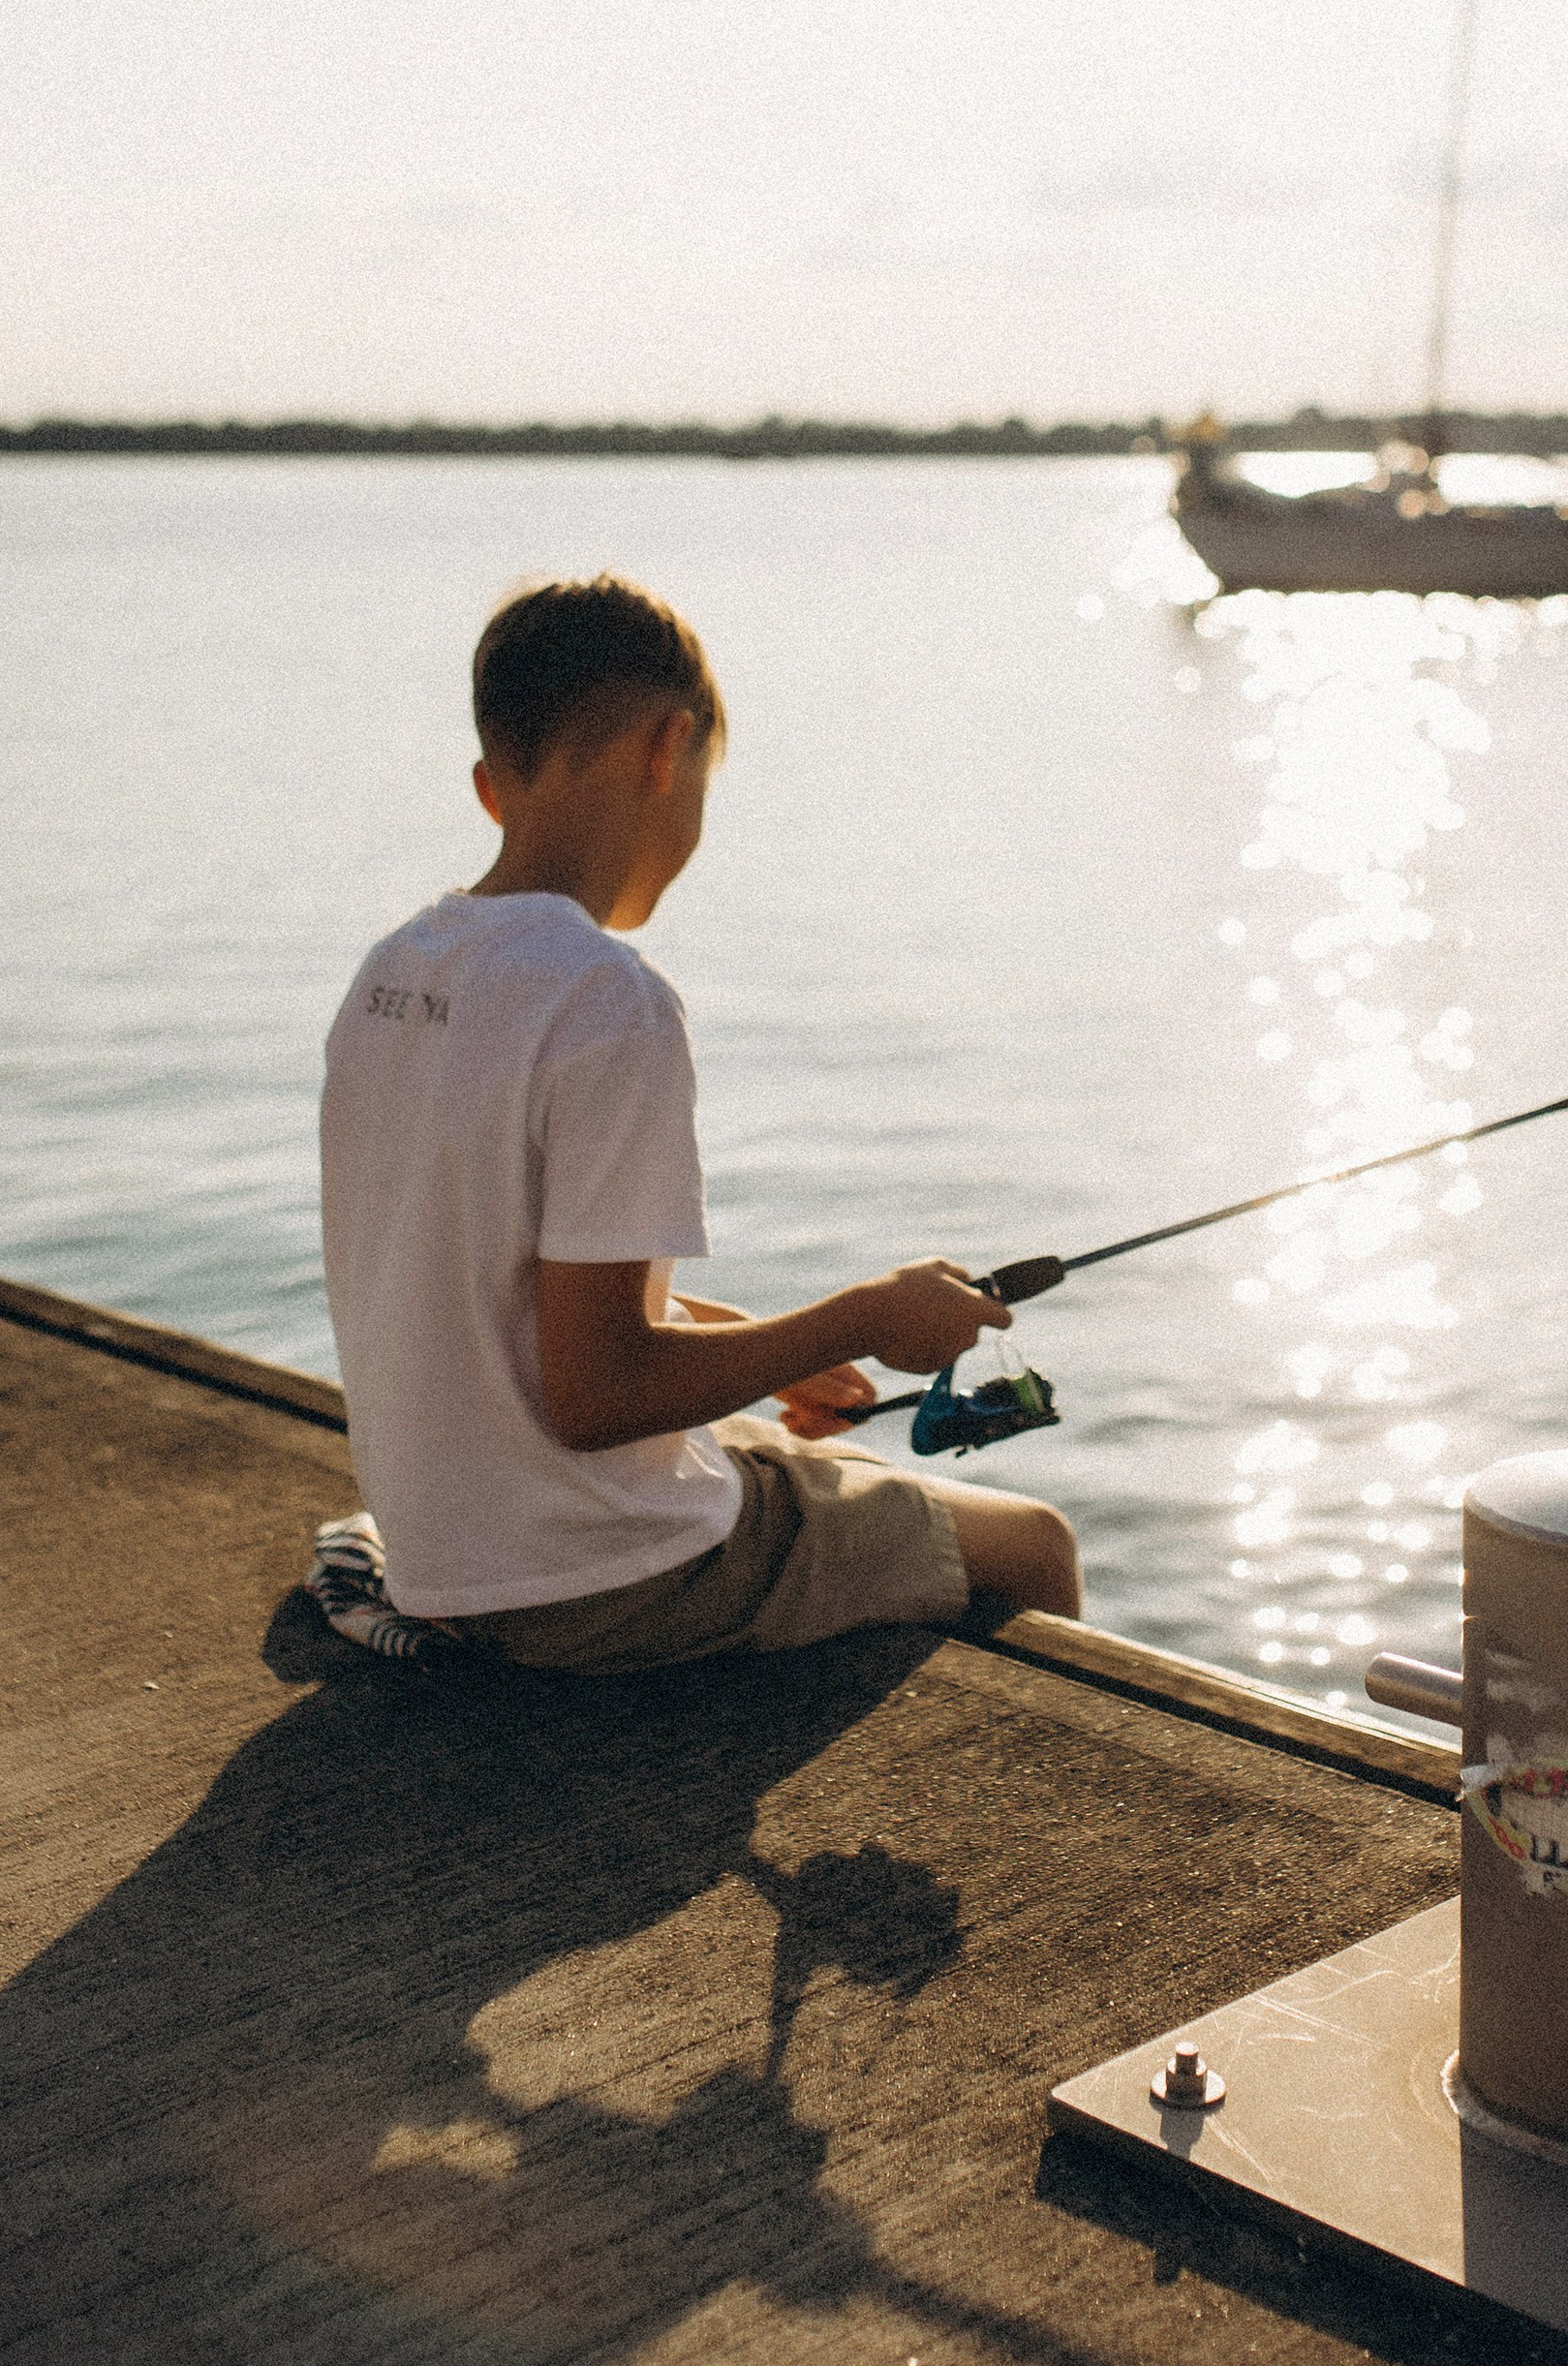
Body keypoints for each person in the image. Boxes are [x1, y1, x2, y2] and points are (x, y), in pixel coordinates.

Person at [319, 572, 1082, 1672]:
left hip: (445, 1552)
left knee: (771, 1445)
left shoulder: (392, 973)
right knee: (1036, 1544)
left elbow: (507, 1287)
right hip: (595, 1581)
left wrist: (770, 1350)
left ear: (494, 787)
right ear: (666, 750)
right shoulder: (605, 1000)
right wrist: (865, 1315)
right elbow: (598, 1395)